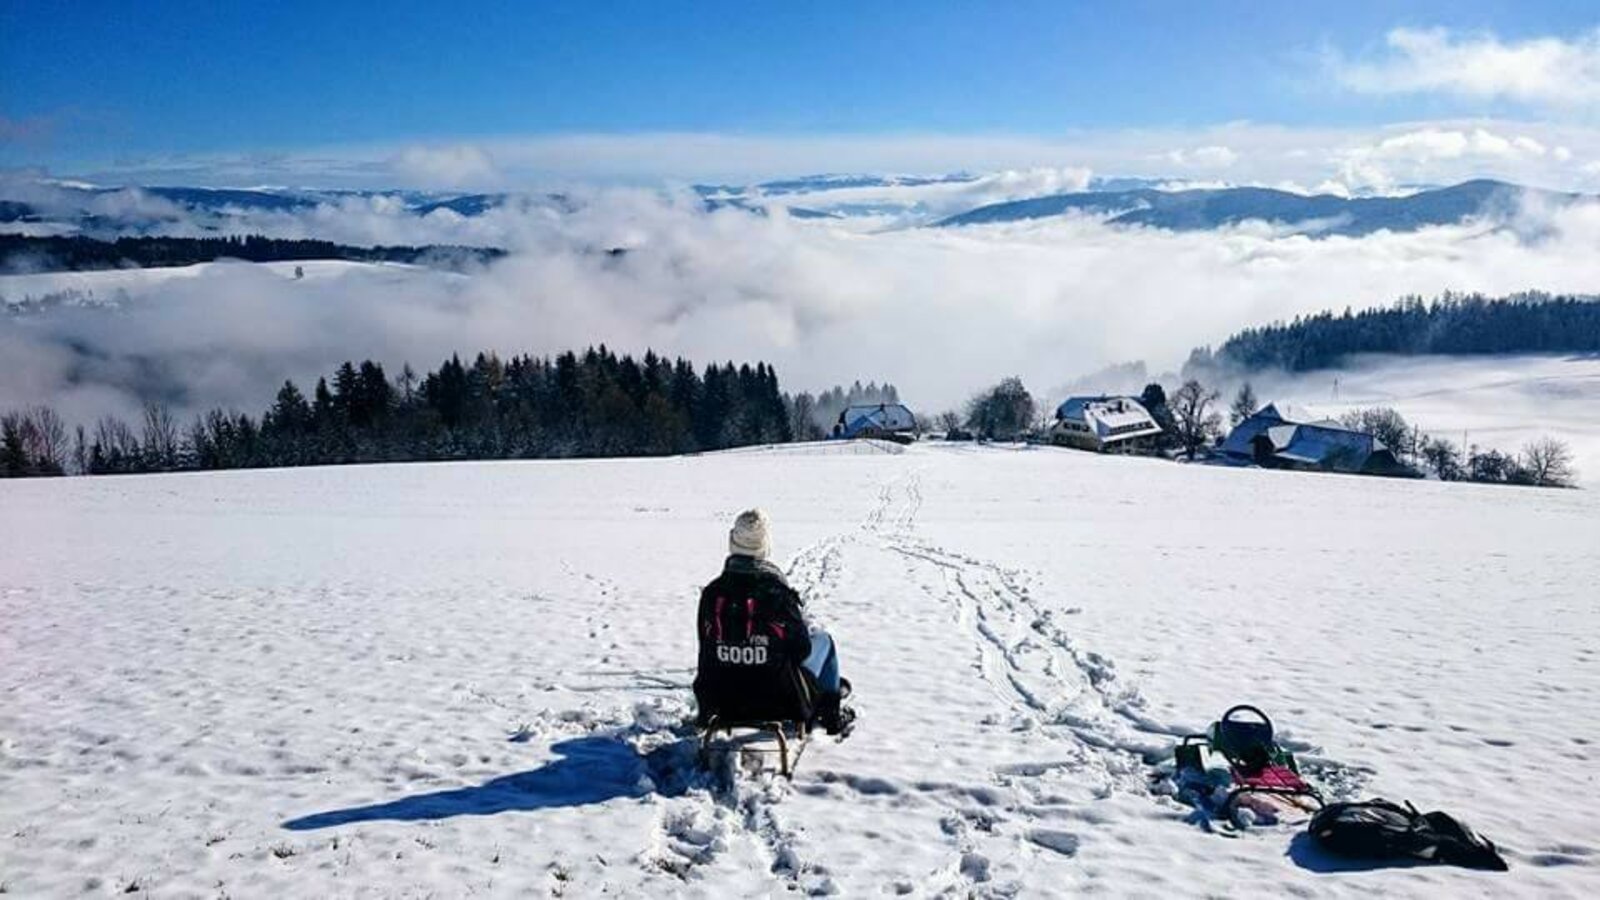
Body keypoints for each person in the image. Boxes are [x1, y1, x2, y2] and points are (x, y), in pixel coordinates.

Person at [693, 509, 854, 736]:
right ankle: (831, 714)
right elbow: (801, 649)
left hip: (721, 698)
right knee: (824, 641)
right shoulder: (778, 593)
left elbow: (706, 647)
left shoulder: (712, 594)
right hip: (779, 700)